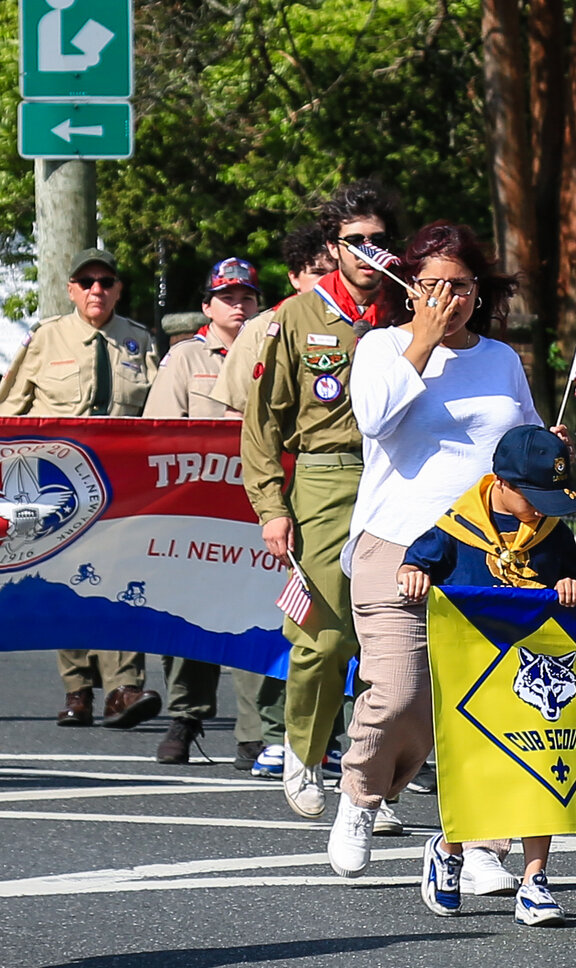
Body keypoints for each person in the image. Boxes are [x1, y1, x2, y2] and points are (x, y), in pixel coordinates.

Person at [323, 222, 568, 909]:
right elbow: (373, 419)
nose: (446, 297)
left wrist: (548, 446)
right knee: (399, 690)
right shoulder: (380, 348)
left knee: (482, 706)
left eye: (459, 285)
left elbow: (518, 443)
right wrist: (422, 342)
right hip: (396, 541)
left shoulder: (502, 360)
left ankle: (482, 843)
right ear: (408, 287)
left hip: (486, 553)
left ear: (479, 291)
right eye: (431, 284)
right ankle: (363, 795)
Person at [357, 425, 576, 925]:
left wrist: (572, 584)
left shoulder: (553, 535)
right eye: (536, 496)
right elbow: (417, 563)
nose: (544, 509)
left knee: (543, 771)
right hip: (472, 675)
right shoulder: (457, 527)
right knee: (474, 774)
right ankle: (451, 849)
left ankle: (535, 879)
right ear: (502, 482)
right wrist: (412, 574)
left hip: (536, 674)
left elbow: (572, 578)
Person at [241, 179, 401, 818]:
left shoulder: (410, 310)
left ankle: (374, 779)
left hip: (398, 474)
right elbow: (262, 423)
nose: (369, 253)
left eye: (379, 241)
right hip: (327, 476)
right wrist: (271, 506)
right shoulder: (295, 317)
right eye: (354, 241)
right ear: (334, 248)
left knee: (393, 638)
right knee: (325, 637)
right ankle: (305, 755)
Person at [0, 247, 160, 729]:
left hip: (124, 486)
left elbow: (161, 414)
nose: (97, 290)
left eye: (106, 282)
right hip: (57, 483)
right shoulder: (47, 339)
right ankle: (78, 690)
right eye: (86, 282)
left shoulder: (139, 341)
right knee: (65, 581)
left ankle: (123, 688)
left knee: (122, 582)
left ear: (118, 290)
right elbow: (11, 408)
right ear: (71, 289)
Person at [211, 226, 337, 778]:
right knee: (286, 619)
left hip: (344, 491)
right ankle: (271, 733)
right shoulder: (271, 327)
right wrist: (271, 503)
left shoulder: (379, 326)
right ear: (294, 276)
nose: (324, 280)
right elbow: (244, 423)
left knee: (358, 625)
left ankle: (357, 746)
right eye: (314, 269)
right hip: (285, 494)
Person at [144, 258, 271, 766]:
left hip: (257, 503)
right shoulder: (184, 358)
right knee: (189, 615)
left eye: (246, 297)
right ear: (206, 307)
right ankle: (186, 715)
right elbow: (158, 432)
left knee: (256, 615)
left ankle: (254, 732)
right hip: (196, 506)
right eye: (227, 297)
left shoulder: (276, 350)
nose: (238, 306)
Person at [213, 225, 336, 419]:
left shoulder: (363, 325)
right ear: (294, 278)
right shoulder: (261, 329)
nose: (328, 281)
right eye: (317, 273)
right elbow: (236, 412)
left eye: (335, 273)